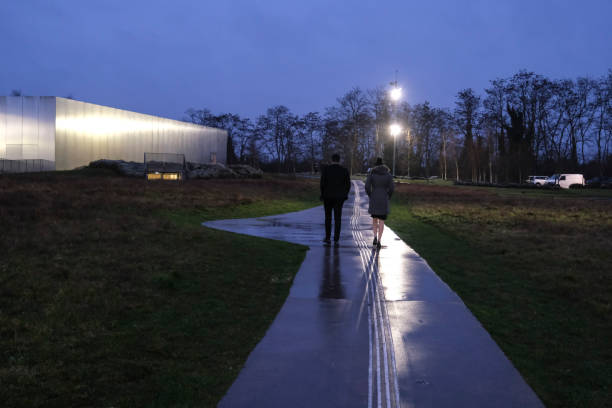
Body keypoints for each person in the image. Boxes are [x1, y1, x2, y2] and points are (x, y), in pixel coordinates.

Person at [320, 153, 351, 245]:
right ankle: (336, 238)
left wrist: (322, 194)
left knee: (328, 217)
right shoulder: (344, 170)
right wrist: (345, 195)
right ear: (339, 160)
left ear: (332, 160)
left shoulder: (326, 170)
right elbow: (348, 185)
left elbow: (322, 183)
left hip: (328, 196)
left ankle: (327, 237)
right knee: (338, 218)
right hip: (339, 197)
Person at [365, 157, 394, 249]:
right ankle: (379, 241)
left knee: (374, 219)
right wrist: (388, 195)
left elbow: (366, 186)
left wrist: (370, 194)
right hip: (384, 198)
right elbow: (392, 187)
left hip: (374, 197)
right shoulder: (388, 174)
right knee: (382, 221)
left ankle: (374, 236)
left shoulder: (372, 174)